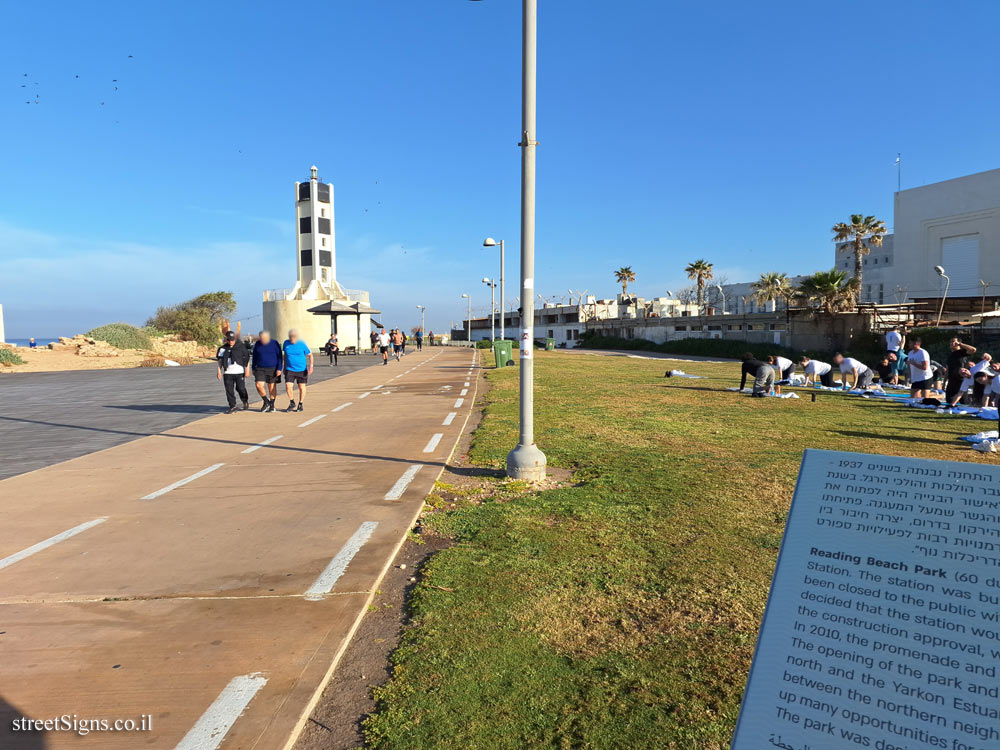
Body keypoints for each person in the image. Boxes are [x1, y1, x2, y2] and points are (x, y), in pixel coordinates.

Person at [217, 330, 250, 413]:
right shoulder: (222, 349)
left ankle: (245, 401)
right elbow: (220, 361)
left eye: (232, 339)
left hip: (239, 372)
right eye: (229, 340)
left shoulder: (241, 347)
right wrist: (219, 371)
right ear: (226, 340)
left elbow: (246, 359)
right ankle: (232, 406)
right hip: (228, 372)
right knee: (229, 390)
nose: (231, 341)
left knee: (241, 388)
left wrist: (247, 370)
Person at [251, 330, 283, 413]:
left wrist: (279, 368)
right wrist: (253, 367)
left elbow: (280, 356)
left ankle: (272, 405)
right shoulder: (257, 344)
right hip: (260, 368)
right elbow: (254, 356)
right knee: (258, 385)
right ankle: (266, 401)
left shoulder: (274, 343)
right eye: (261, 338)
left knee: (271, 387)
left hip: (273, 368)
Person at [282, 329, 313, 412]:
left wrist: (311, 366)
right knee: (288, 386)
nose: (292, 340)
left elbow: (310, 355)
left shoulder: (302, 344)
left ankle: (300, 404)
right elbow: (285, 355)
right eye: (291, 338)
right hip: (290, 369)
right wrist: (284, 367)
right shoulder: (286, 343)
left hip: (301, 369)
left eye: (293, 338)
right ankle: (292, 402)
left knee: (301, 387)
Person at [945, 338, 976, 406]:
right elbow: (948, 369)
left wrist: (960, 344)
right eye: (950, 342)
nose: (951, 343)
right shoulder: (950, 355)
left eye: (953, 341)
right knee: (949, 401)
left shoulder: (962, 352)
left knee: (964, 402)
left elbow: (973, 350)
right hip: (951, 381)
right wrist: (944, 381)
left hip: (961, 380)